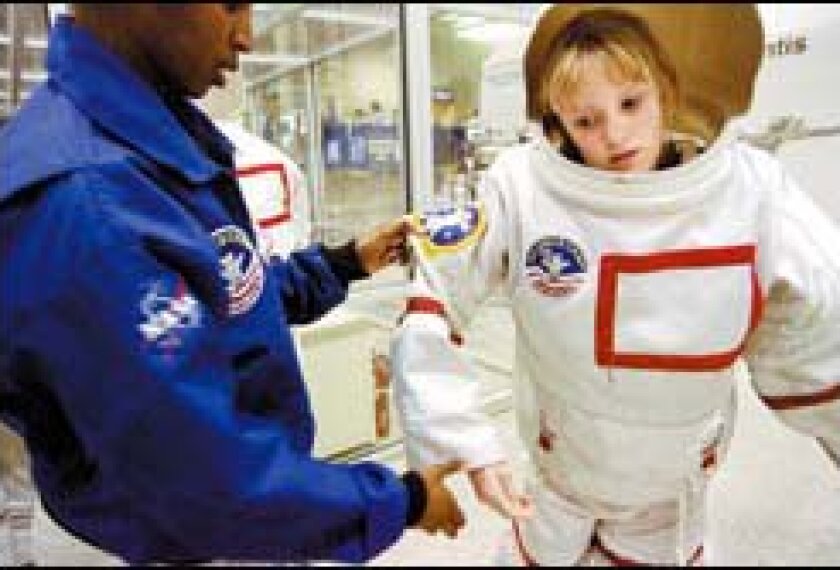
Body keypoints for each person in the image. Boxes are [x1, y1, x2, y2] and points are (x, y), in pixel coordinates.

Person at [0, 4, 466, 565]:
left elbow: (226, 297)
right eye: (231, 5)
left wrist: (343, 265)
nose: (246, 37)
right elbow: (205, 482)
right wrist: (402, 500)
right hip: (162, 543)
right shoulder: (89, 201)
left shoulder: (148, 146)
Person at [390, 4, 840, 566]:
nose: (615, 134)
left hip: (670, 490)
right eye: (586, 121)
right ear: (556, 119)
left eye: (631, 104)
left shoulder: (750, 193)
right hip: (559, 476)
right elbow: (434, 298)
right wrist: (466, 445)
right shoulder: (524, 186)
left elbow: (822, 323)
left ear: (665, 91)